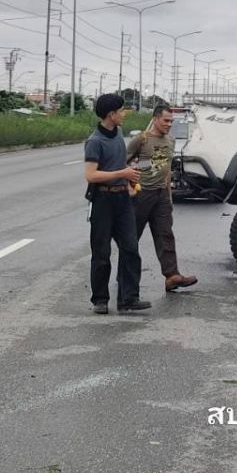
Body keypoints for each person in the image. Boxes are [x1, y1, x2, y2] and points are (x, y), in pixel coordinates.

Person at [83, 93, 149, 315]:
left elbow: (119, 164)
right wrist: (122, 173)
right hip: (103, 200)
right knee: (101, 252)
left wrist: (129, 179)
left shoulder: (119, 134)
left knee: (131, 249)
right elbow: (91, 175)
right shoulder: (95, 142)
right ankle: (100, 299)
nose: (124, 114)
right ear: (111, 114)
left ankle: (129, 298)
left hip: (123, 199)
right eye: (121, 110)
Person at [126, 105, 198, 292]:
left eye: (171, 121)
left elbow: (165, 169)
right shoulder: (141, 139)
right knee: (131, 238)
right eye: (166, 120)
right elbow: (123, 163)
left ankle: (172, 276)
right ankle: (125, 278)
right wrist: (129, 187)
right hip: (142, 194)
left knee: (165, 234)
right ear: (155, 118)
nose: (169, 124)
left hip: (162, 195)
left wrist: (169, 197)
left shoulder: (170, 141)